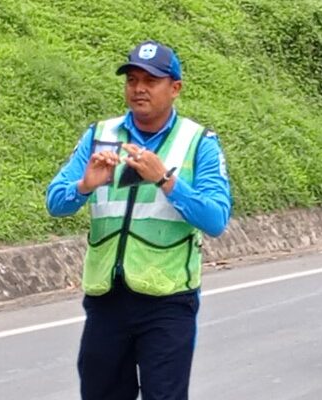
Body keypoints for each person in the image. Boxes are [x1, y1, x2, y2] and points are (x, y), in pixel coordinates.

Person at [46, 40, 232, 400]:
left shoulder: (199, 142)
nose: (139, 89)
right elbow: (55, 201)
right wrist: (84, 185)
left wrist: (166, 181)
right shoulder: (101, 135)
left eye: (151, 80)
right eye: (132, 79)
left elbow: (216, 219)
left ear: (175, 88)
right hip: (107, 298)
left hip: (167, 301)